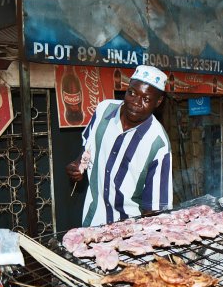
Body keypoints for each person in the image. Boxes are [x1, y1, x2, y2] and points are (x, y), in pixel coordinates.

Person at [66, 65, 173, 227]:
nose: (136, 103)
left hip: (129, 232)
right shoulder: (103, 110)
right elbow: (88, 146)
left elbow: (155, 209)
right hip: (93, 220)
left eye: (146, 99)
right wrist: (78, 164)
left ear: (158, 102)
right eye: (132, 93)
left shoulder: (158, 144)